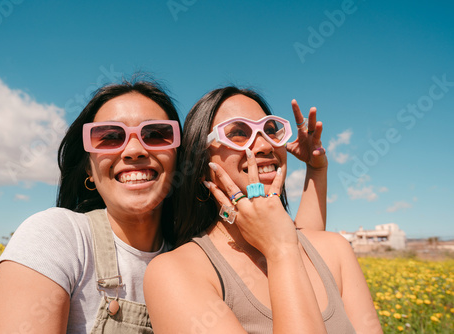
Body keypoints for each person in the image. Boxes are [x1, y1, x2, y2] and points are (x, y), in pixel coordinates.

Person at [144, 86, 382, 333]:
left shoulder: (335, 250)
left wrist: (317, 170)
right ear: (201, 162)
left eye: (270, 130)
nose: (264, 145)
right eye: (237, 133)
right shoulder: (175, 273)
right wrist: (280, 252)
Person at [0, 79, 182, 333]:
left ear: (178, 156)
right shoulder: (56, 235)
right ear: (89, 169)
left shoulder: (196, 260)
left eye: (155, 134)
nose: (134, 150)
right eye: (109, 137)